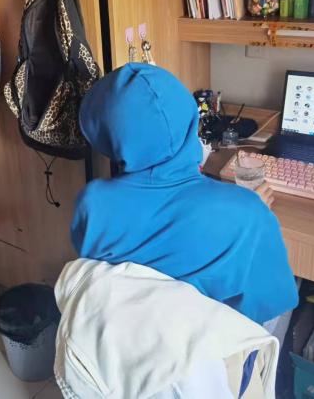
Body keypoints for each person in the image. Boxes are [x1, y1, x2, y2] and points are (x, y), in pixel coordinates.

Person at [71, 63, 298, 326]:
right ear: (191, 122)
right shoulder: (249, 214)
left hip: (122, 337)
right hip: (211, 347)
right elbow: (269, 305)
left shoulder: (91, 204)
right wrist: (249, 208)